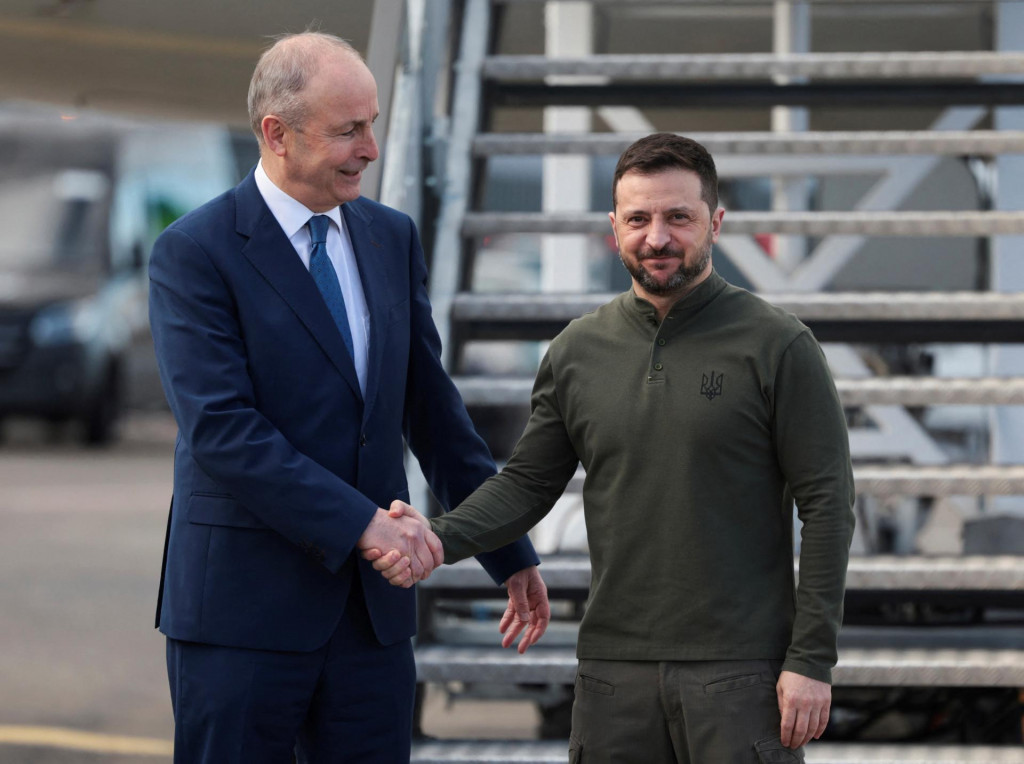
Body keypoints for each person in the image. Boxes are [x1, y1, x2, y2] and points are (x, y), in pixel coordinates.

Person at [368, 133, 856, 762]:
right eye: (639, 219)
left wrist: (811, 658)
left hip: (740, 671)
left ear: (716, 221)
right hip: (611, 672)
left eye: (679, 217)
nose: (657, 237)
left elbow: (828, 506)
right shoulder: (576, 350)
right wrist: (437, 538)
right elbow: (527, 483)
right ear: (613, 226)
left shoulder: (779, 347)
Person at [148, 31, 548, 764]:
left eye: (372, 125)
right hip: (243, 617)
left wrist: (509, 553)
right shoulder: (193, 252)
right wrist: (365, 523)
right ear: (276, 134)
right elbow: (223, 430)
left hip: (370, 623)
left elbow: (432, 411)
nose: (370, 148)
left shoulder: (389, 237)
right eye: (348, 131)